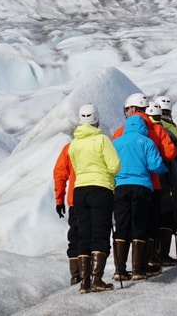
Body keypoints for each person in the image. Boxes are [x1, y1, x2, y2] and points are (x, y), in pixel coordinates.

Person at [111, 93, 177, 278]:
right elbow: (170, 153)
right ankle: (143, 265)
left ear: (131, 110)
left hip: (121, 184)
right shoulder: (156, 130)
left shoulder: (119, 134)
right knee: (146, 225)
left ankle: (120, 270)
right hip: (150, 185)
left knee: (122, 226)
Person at [67, 103, 120, 293]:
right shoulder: (102, 140)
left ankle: (84, 282)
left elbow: (75, 166)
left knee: (84, 234)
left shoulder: (74, 144)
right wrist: (106, 175)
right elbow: (114, 165)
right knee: (100, 232)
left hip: (79, 190)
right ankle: (97, 279)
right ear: (96, 119)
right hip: (101, 188)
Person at [146, 100, 177, 267]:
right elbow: (175, 156)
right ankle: (163, 254)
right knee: (167, 215)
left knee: (151, 217)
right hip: (166, 178)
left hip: (145, 180)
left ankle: (149, 255)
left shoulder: (141, 132)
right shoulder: (166, 133)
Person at [52, 137, 80, 285]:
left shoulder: (70, 148)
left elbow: (60, 174)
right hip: (97, 197)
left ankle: (76, 276)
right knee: (94, 235)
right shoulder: (101, 143)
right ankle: (91, 275)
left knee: (75, 236)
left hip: (75, 199)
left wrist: (59, 200)